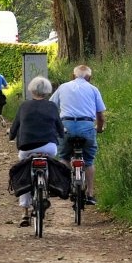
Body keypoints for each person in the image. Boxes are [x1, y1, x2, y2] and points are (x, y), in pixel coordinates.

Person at [8, 76, 65, 226]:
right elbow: (60, 129)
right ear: (47, 91)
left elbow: (15, 127)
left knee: (25, 174)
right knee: (49, 162)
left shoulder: (24, 106)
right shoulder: (52, 106)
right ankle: (47, 186)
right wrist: (61, 134)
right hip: (49, 147)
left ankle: (25, 212)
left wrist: (11, 135)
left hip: (26, 148)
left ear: (31, 90)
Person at [51, 64, 107, 205]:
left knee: (64, 157)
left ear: (73, 75)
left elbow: (51, 107)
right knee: (88, 160)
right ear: (89, 78)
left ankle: (64, 186)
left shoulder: (63, 87)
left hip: (66, 127)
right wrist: (99, 128)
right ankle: (90, 193)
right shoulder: (93, 89)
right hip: (86, 127)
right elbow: (100, 116)